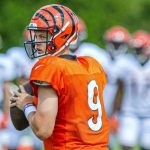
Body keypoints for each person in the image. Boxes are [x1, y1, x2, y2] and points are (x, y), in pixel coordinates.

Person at [10, 4, 110, 150]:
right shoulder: (91, 65)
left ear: (62, 35)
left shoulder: (49, 66)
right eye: (36, 35)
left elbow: (43, 130)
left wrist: (26, 104)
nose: (37, 41)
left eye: (43, 36)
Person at [116, 30, 150, 150]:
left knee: (146, 145)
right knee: (126, 144)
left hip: (148, 114)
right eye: (135, 48)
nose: (136, 51)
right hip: (129, 111)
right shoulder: (126, 62)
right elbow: (119, 87)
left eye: (139, 48)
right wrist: (116, 111)